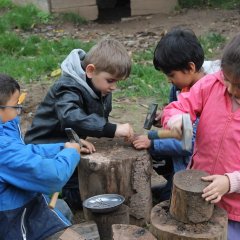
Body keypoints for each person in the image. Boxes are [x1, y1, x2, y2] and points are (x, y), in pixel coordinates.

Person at [24, 38, 134, 210]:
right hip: (44, 147)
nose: (114, 87)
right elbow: (71, 117)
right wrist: (111, 129)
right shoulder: (67, 87)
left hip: (69, 142)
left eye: (117, 82)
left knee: (82, 186)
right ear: (90, 71)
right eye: (111, 80)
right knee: (67, 196)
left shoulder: (99, 85)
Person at [161, 34, 240, 239]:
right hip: (197, 194)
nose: (230, 89)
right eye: (227, 79)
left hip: (236, 210)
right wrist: (176, 119)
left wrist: (231, 182)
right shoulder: (212, 84)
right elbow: (181, 105)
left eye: (238, 86)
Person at [132, 27, 220, 201]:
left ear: (190, 67)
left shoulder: (211, 96)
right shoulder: (180, 87)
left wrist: (152, 142)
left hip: (200, 169)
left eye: (171, 75)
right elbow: (181, 129)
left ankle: (172, 189)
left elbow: (189, 141)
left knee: (171, 201)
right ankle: (170, 185)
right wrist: (165, 119)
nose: (168, 79)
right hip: (183, 158)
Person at [0, 73, 90, 239]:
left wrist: (61, 148)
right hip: (13, 219)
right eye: (15, 106)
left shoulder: (4, 127)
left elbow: (22, 154)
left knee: (62, 209)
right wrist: (70, 154)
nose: (19, 110)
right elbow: (52, 177)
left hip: (21, 204)